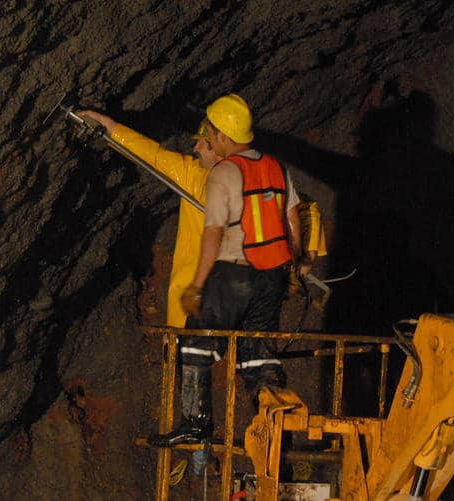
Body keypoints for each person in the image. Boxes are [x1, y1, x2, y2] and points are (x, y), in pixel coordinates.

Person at [149, 94, 304, 447]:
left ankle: (195, 424)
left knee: (196, 344)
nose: (207, 138)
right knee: (258, 357)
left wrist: (198, 284)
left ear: (222, 135)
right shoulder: (276, 167)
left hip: (235, 273)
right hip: (272, 278)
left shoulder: (224, 171)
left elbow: (214, 233)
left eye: (210, 133)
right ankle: (276, 435)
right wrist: (293, 266)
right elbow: (293, 217)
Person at [77, 110, 225, 447]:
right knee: (190, 354)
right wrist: (110, 127)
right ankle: (196, 429)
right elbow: (152, 154)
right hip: (197, 297)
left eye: (203, 143)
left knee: (219, 354)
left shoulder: (243, 181)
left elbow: (294, 207)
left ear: (221, 146)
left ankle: (205, 427)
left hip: (224, 295)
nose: (195, 148)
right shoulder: (192, 173)